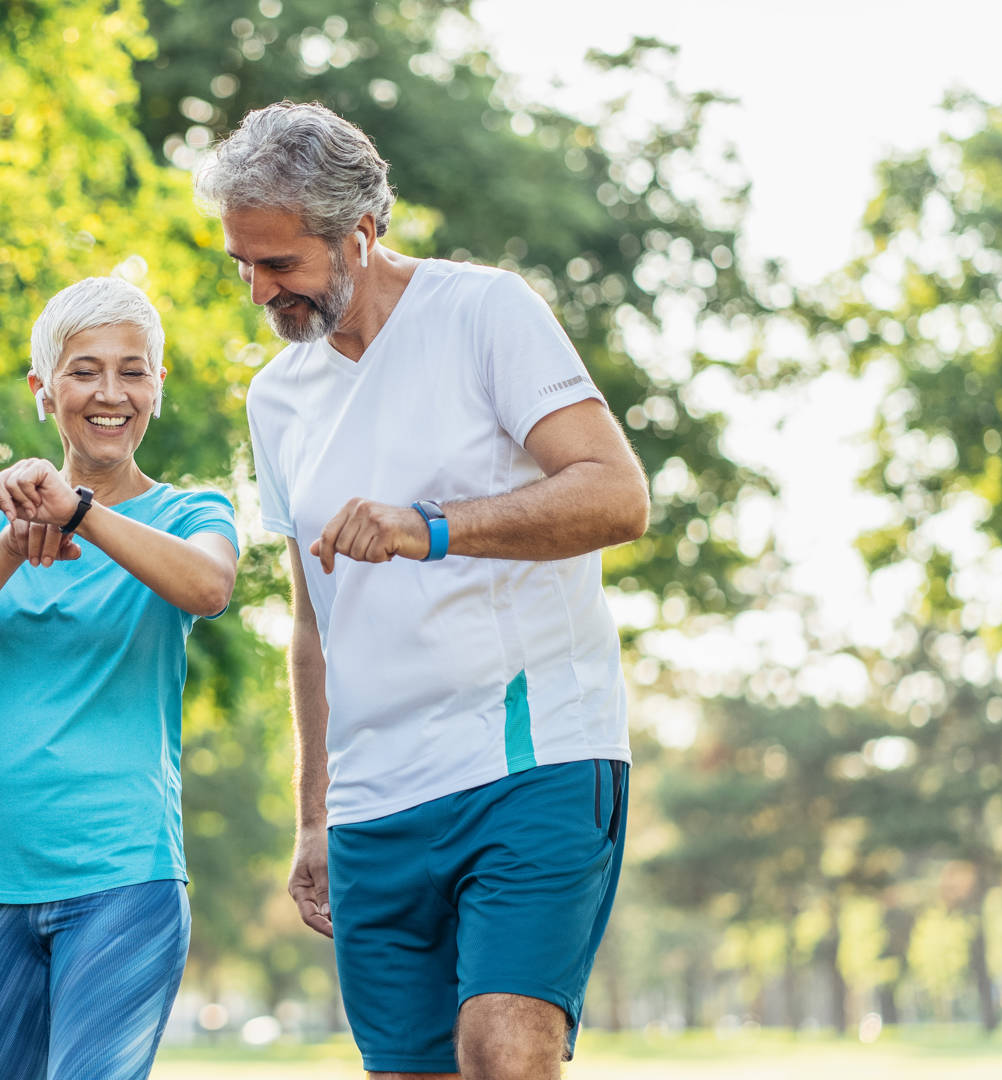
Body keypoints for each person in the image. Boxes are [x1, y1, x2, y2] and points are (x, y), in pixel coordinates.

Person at [193, 102, 650, 1080]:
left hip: (530, 758)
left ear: (360, 230)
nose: (259, 289)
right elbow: (313, 630)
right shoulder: (276, 398)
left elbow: (617, 495)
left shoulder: (484, 313)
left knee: (503, 1052)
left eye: (281, 265)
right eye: (243, 263)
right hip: (376, 801)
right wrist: (313, 816)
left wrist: (432, 526)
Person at [0, 276, 240, 1080]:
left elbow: (210, 588)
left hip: (124, 877)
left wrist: (78, 511)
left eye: (134, 370)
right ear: (43, 392)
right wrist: (17, 541)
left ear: (158, 388)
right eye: (85, 370)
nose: (110, 392)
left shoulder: (192, 514)